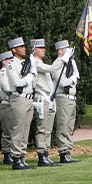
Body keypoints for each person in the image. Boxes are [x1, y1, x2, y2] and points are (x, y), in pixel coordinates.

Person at [28, 38, 67, 167]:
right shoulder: (35, 63)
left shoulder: (40, 62)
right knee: (43, 128)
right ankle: (41, 154)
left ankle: (46, 153)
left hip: (48, 98)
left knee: (48, 129)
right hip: (42, 97)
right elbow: (52, 68)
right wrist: (63, 58)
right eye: (40, 48)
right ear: (34, 49)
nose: (43, 50)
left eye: (44, 48)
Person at [4, 37, 35, 170]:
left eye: (24, 46)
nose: (24, 49)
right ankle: (16, 158)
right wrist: (30, 76)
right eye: (20, 47)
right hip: (19, 98)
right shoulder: (11, 64)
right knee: (18, 129)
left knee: (25, 130)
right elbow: (17, 82)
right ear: (14, 50)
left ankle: (22, 156)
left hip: (28, 98)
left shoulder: (25, 63)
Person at [52, 40, 80, 162]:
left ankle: (68, 150)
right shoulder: (57, 64)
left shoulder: (69, 63)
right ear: (60, 50)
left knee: (69, 126)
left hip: (71, 98)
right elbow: (62, 82)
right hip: (63, 98)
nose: (69, 50)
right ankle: (63, 152)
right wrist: (73, 79)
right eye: (66, 48)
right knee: (63, 125)